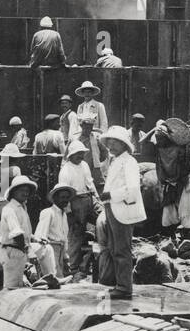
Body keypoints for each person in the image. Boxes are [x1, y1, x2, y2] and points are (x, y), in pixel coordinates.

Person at [96, 126, 145, 299]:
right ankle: (119, 283)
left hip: (122, 209)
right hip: (112, 208)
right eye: (108, 142)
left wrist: (112, 194)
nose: (110, 145)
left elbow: (132, 189)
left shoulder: (129, 162)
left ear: (124, 144)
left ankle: (125, 287)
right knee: (114, 248)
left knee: (122, 249)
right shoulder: (115, 161)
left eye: (114, 142)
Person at [58, 139, 98, 276]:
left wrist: (97, 199)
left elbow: (90, 183)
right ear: (71, 155)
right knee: (76, 235)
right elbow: (64, 193)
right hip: (75, 202)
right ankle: (72, 268)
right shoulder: (65, 170)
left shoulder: (85, 165)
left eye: (82, 153)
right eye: (78, 154)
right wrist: (69, 211)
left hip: (88, 198)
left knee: (102, 223)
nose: (80, 156)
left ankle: (91, 262)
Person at [150, 117, 190, 231]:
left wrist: (183, 179)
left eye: (160, 138)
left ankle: (187, 233)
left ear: (167, 138)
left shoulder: (179, 150)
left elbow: (188, 166)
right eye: (157, 138)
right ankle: (171, 235)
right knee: (169, 209)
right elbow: (159, 169)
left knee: (185, 209)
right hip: (169, 182)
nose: (158, 141)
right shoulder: (159, 151)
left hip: (182, 180)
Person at [0, 175, 36, 290]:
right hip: (11, 250)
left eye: (27, 191)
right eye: (22, 190)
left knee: (45, 249)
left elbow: (23, 231)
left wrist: (35, 239)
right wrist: (29, 251)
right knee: (11, 287)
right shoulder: (9, 209)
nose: (25, 193)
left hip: (19, 249)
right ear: (13, 192)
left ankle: (51, 276)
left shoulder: (22, 208)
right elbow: (17, 234)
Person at [30, 184, 72, 284]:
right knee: (54, 278)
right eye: (62, 197)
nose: (65, 200)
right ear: (55, 198)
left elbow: (64, 236)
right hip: (51, 248)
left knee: (60, 280)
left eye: (67, 197)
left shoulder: (64, 215)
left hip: (61, 249)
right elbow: (40, 235)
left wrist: (66, 257)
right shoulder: (48, 212)